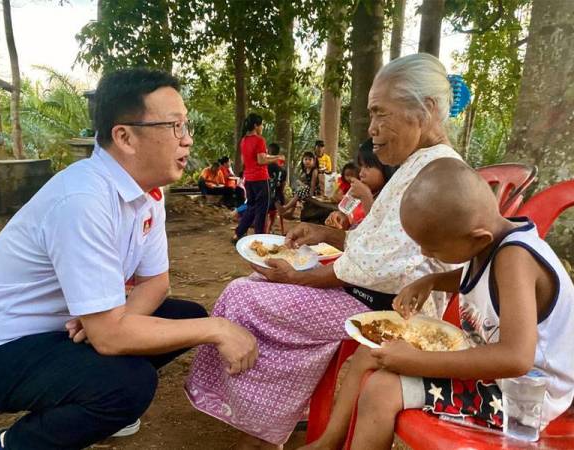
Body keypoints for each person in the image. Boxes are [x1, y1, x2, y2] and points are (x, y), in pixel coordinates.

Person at [186, 53, 466, 450]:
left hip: (387, 310)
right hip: (367, 292)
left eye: (380, 115)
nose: (372, 130)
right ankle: (272, 414)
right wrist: (323, 233)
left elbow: (378, 267)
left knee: (243, 295)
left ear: (428, 109)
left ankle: (261, 423)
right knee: (253, 283)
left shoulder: (434, 174)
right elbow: (373, 248)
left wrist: (298, 277)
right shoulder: (416, 166)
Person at [0, 68, 257, 450]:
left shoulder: (146, 195)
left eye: (185, 125)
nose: (187, 140)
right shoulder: (83, 200)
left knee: (183, 315)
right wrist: (219, 329)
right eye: (174, 126)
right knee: (129, 385)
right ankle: (16, 443)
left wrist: (108, 325)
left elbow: (157, 283)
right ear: (124, 136)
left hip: (61, 328)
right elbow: (110, 337)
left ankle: (95, 399)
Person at [301, 158, 574, 450]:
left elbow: (516, 359)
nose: (423, 252)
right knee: (373, 350)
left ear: (475, 238)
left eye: (431, 248)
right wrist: (431, 280)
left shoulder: (515, 260)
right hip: (496, 373)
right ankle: (329, 441)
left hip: (526, 399)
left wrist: (417, 361)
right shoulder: (490, 242)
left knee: (382, 389)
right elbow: (481, 278)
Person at [233, 113, 284, 242]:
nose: (262, 127)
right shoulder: (259, 140)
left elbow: (246, 160)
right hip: (260, 179)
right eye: (261, 124)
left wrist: (272, 158)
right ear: (256, 125)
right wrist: (277, 157)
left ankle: (238, 233)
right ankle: (259, 238)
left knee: (251, 207)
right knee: (262, 210)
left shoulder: (243, 140)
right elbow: (261, 160)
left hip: (248, 180)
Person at [326, 139, 395, 230]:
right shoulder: (358, 193)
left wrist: (365, 196)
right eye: (361, 166)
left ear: (387, 167)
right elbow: (351, 219)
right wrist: (341, 218)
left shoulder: (390, 199)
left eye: (368, 166)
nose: (361, 173)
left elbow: (378, 231)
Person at [276, 151, 319, 218]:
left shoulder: (314, 171)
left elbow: (313, 185)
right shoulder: (306, 169)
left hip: (314, 190)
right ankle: (291, 212)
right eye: (306, 159)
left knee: (299, 192)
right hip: (307, 189)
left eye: (310, 159)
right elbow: (304, 181)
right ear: (303, 160)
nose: (307, 161)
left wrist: (311, 195)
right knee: (297, 191)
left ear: (314, 161)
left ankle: (285, 208)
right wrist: (301, 183)